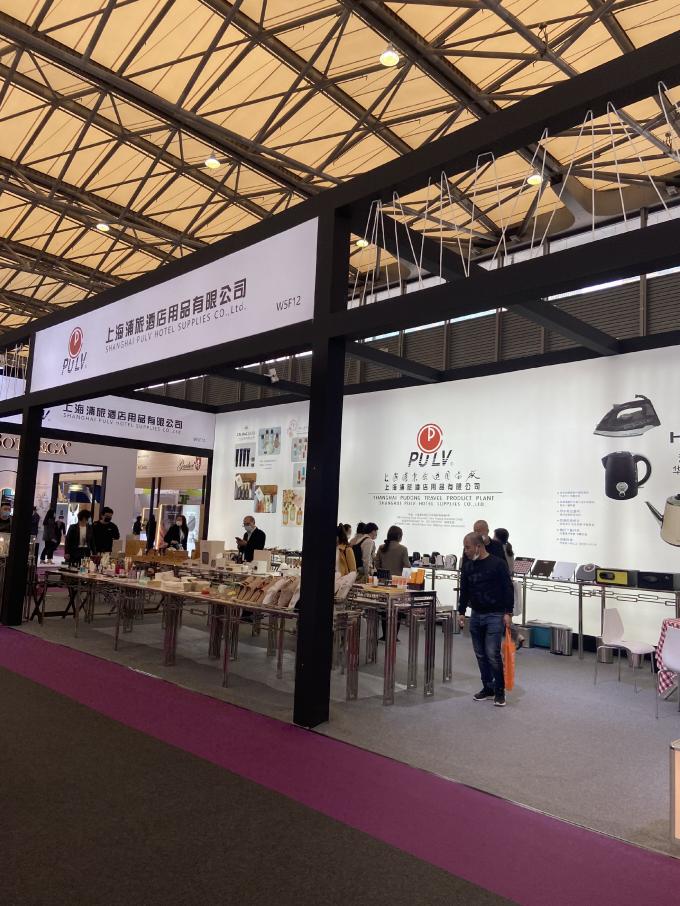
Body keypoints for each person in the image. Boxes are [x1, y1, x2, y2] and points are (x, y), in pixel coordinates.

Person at [458, 532, 514, 707]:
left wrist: (508, 612)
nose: (465, 551)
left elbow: (508, 588)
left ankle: (499, 691)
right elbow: (464, 589)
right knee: (480, 654)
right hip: (476, 614)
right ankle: (488, 688)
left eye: (467, 547)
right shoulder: (468, 566)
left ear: (478, 546)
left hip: (495, 615)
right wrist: (461, 611)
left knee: (492, 654)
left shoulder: (498, 564)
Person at [375, 525, 411, 642]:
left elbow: (376, 564)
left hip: (383, 583)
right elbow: (407, 566)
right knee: (397, 610)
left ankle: (385, 635)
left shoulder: (381, 547)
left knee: (384, 609)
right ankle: (394, 636)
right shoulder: (403, 549)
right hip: (397, 584)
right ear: (399, 536)